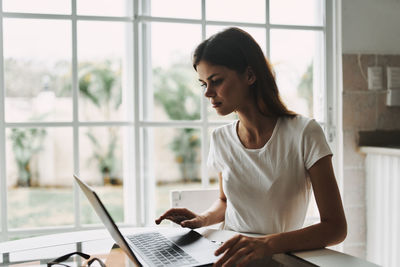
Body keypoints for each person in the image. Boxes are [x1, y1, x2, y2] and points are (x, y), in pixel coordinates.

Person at [155, 27, 347, 267]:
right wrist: (202, 219)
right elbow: (226, 202)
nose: (208, 93)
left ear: (249, 75)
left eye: (216, 81)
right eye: (203, 84)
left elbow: (336, 228)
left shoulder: (305, 133)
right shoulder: (221, 138)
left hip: (277, 259)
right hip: (224, 256)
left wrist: (265, 244)